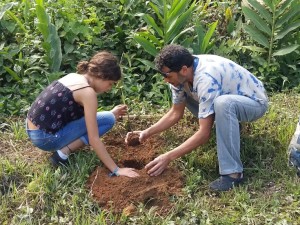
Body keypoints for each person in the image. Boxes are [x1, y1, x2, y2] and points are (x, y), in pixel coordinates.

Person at [126, 44, 268, 191]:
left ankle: (233, 174)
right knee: (195, 96)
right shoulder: (181, 77)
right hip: (230, 98)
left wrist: (168, 157)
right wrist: (147, 132)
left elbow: (204, 134)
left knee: (223, 104)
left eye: (167, 75)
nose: (166, 80)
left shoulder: (206, 78)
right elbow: (176, 112)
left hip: (254, 103)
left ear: (184, 69)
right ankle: (229, 126)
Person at [26, 51, 139, 178]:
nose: (109, 89)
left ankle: (61, 152)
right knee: (108, 120)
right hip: (45, 139)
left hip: (32, 128)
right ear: (101, 75)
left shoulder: (73, 77)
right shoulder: (88, 93)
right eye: (110, 84)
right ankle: (62, 153)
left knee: (108, 117)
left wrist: (111, 113)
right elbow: (94, 138)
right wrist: (116, 169)